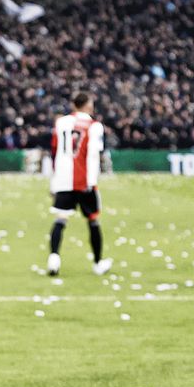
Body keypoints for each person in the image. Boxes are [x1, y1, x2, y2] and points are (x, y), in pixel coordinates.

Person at [46, 92, 111, 277]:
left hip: (63, 179)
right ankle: (98, 263)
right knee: (93, 220)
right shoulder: (94, 126)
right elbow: (96, 152)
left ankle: (54, 258)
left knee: (60, 219)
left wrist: (54, 181)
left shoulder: (61, 123)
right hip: (86, 181)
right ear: (88, 105)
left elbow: (54, 151)